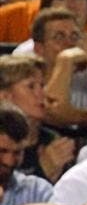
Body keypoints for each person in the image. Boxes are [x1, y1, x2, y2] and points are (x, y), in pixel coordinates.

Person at [0, 53, 76, 183]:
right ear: (5, 96)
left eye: (42, 85)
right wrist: (42, 171)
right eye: (31, 86)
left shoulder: (53, 140)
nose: (42, 93)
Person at [31, 7, 87, 128]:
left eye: (74, 36)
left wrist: (76, 116)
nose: (69, 43)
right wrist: (66, 61)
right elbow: (52, 111)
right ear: (39, 49)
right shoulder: (28, 84)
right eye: (59, 37)